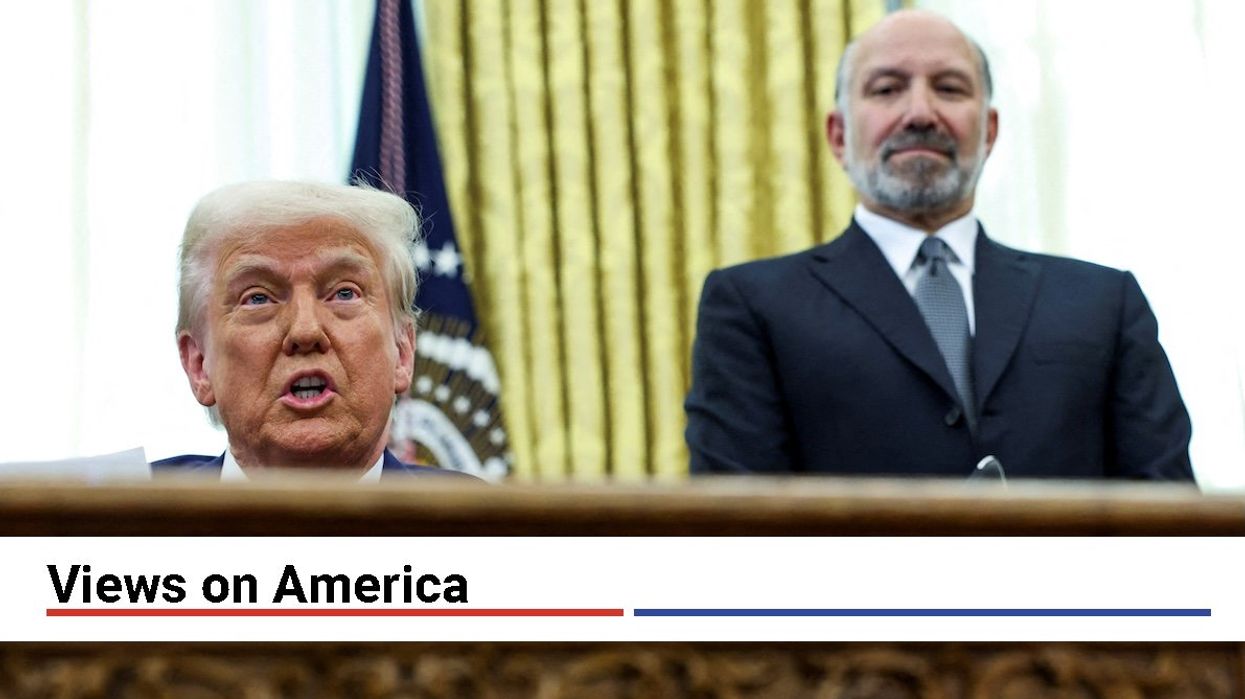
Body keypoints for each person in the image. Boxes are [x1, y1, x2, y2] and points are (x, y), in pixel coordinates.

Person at [685, 10, 1193, 480]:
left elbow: (1168, 515)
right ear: (839, 135)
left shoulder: (1103, 302)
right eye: (887, 89)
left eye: (949, 88)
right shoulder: (753, 306)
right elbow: (736, 525)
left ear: (989, 130)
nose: (920, 112)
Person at [153, 181, 471, 481]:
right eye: (258, 298)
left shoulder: (479, 526)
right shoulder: (116, 517)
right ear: (198, 364)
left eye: (345, 293)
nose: (305, 331)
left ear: (402, 351)